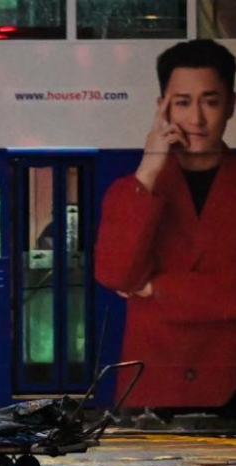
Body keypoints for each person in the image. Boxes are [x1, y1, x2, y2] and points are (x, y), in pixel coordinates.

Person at [95, 39, 236, 410]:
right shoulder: (132, 189)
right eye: (183, 103)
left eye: (211, 101)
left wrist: (158, 288)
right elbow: (115, 275)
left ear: (231, 106)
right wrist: (150, 168)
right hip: (151, 393)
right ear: (163, 109)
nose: (197, 119)